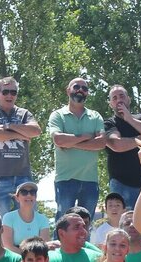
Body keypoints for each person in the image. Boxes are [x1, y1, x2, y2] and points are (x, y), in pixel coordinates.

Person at [0, 76, 41, 214]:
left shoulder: (24, 113)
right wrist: (20, 134)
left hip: (23, 177)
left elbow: (36, 131)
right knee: (2, 223)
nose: (9, 95)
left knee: (30, 218)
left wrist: (9, 126)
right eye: (5, 92)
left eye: (13, 92)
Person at [49, 77, 106, 217]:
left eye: (84, 88)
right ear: (68, 90)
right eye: (76, 87)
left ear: (87, 93)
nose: (80, 90)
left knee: (86, 223)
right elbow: (58, 139)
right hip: (65, 179)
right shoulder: (58, 115)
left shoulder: (95, 116)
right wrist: (86, 137)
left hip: (90, 180)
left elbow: (101, 143)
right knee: (63, 222)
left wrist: (71, 142)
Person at [104, 85, 141, 208]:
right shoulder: (109, 123)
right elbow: (116, 144)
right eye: (114, 98)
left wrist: (130, 119)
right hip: (121, 184)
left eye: (122, 96)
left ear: (129, 99)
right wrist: (140, 139)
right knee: (124, 224)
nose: (119, 100)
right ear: (110, 104)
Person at [1, 181, 49, 251]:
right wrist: (26, 258)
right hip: (14, 257)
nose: (29, 195)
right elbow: (8, 246)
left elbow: (44, 245)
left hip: (37, 256)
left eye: (32, 192)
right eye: (24, 192)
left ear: (35, 197)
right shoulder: (8, 217)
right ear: (17, 198)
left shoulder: (43, 219)